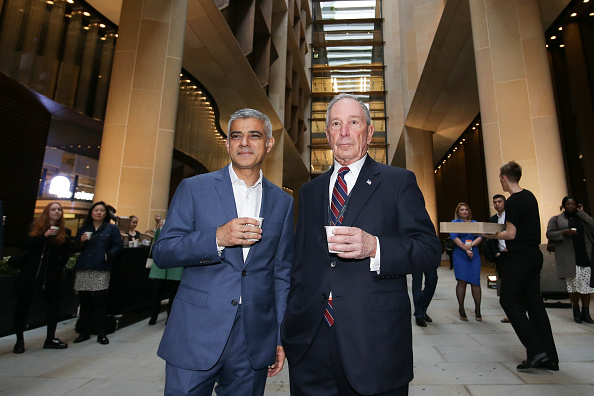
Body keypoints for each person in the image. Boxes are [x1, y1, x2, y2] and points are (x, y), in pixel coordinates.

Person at [281, 93, 441, 396]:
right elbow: (299, 265)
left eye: (353, 123)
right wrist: (290, 326)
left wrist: (376, 248)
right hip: (310, 344)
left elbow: (429, 250)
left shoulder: (398, 181)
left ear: (369, 132)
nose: (344, 131)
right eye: (336, 124)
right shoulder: (310, 191)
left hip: (374, 346)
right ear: (327, 134)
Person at [153, 108, 294, 395]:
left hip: (253, 339)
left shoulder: (283, 201)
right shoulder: (194, 188)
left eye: (254, 136)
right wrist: (216, 237)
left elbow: (281, 274)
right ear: (227, 144)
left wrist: (278, 335)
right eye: (236, 136)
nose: (244, 143)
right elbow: (164, 251)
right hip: (195, 332)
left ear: (269, 144)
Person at [483, 161, 559, 371]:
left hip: (520, 257)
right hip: (534, 255)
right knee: (535, 305)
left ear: (505, 178)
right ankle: (550, 357)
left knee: (508, 299)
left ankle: (535, 349)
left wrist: (489, 235)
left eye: (501, 178)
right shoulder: (530, 196)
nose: (501, 182)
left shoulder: (514, 201)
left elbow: (511, 234)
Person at [12, 202, 72, 354]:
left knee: (53, 306)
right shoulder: (34, 228)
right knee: (23, 307)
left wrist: (58, 267)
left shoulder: (65, 231)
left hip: (51, 275)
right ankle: (19, 340)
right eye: (53, 209)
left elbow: (64, 254)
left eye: (59, 210)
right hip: (30, 273)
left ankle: (50, 338)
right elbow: (24, 243)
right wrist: (44, 236)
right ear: (47, 212)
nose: (57, 212)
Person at [73, 201, 123, 345]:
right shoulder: (84, 228)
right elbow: (75, 247)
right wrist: (81, 241)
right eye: (96, 210)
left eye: (102, 210)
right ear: (91, 213)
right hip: (84, 267)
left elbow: (117, 245)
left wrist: (108, 256)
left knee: (100, 300)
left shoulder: (111, 229)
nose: (99, 213)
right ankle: (85, 332)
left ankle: (101, 333)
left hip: (100, 267)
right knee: (84, 301)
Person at [546, 196, 594, 324]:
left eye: (573, 204)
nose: (570, 206)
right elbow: (549, 234)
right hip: (568, 257)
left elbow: (592, 226)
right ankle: (576, 310)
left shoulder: (581, 218)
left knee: (586, 287)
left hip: (584, 254)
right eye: (568, 204)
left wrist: (582, 212)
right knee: (573, 287)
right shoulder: (556, 219)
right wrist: (564, 233)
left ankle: (586, 312)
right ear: (563, 206)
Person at [450, 202, 483, 321]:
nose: (464, 211)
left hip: (474, 254)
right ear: (458, 212)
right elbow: (454, 237)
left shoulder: (475, 223)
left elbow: (480, 236)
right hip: (460, 254)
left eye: (466, 210)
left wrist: (471, 246)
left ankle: (478, 309)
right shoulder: (455, 223)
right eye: (462, 210)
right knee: (462, 281)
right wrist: (465, 248)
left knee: (476, 282)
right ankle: (461, 308)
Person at [148, 218, 181, 325]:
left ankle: (169, 317)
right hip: (160, 268)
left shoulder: (182, 228)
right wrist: (160, 227)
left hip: (175, 267)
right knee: (155, 294)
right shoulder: (163, 226)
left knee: (173, 295)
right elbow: (156, 240)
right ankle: (153, 316)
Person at [487, 194, 510, 322]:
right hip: (501, 255)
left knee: (514, 283)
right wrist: (496, 253)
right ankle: (510, 312)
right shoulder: (493, 219)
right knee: (504, 284)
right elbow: (490, 238)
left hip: (513, 254)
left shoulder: (511, 216)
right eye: (495, 202)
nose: (497, 204)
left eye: (499, 202)